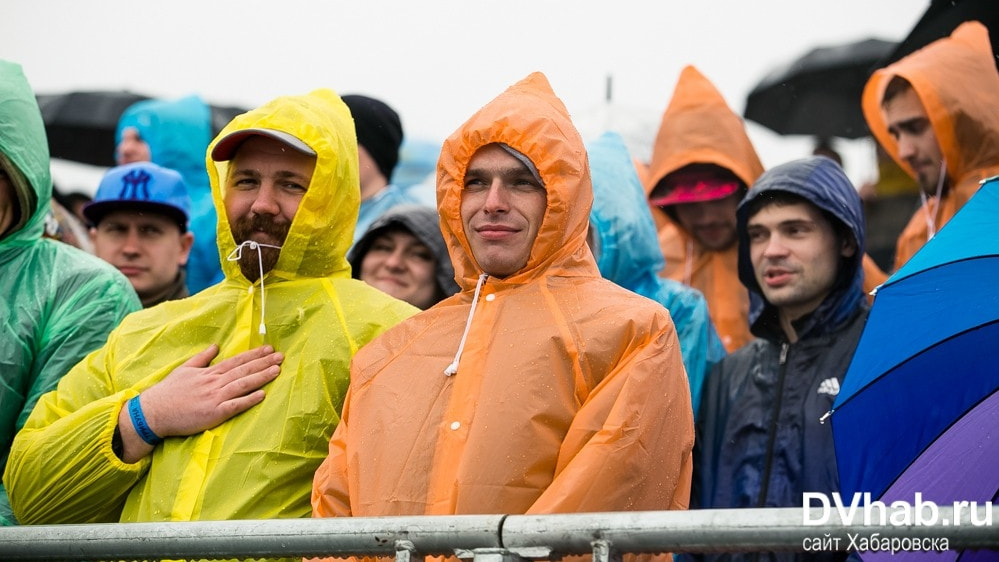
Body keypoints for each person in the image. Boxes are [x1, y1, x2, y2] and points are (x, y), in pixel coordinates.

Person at [4, 89, 418, 538]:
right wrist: (143, 418)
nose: (262, 203)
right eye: (246, 181)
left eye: (291, 184)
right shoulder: (144, 330)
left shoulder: (389, 333)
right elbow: (29, 495)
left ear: (333, 197)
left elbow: (403, 511)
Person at [312, 73, 694, 532]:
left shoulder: (634, 331)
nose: (493, 202)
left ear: (563, 198)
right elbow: (335, 520)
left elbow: (603, 509)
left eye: (521, 182)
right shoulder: (390, 352)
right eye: (475, 182)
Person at [691, 156, 868, 562]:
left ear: (845, 240)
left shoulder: (880, 355)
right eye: (757, 234)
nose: (772, 250)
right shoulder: (729, 375)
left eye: (795, 230)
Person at [0, 59, 141, 526]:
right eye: (115, 227)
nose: (132, 245)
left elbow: (40, 482)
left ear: (20, 173)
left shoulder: (86, 292)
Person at [587, 131, 726, 415]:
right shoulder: (545, 304)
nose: (571, 246)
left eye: (583, 230)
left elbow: (662, 422)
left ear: (618, 228)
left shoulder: (677, 308)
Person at [644, 65, 765, 353]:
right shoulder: (656, 264)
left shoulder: (791, 245)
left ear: (744, 185)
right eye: (689, 204)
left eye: (717, 198)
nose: (707, 217)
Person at [861, 20, 999, 272]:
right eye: (895, 135)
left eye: (915, 128)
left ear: (961, 119)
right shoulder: (920, 228)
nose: (903, 152)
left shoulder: (989, 206)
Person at [115, 94, 223, 294]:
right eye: (122, 139)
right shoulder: (109, 203)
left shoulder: (214, 211)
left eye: (139, 139)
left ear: (176, 144)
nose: (124, 149)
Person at [85, 162, 194, 307]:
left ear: (183, 247)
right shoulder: (60, 321)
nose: (130, 249)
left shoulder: (211, 327)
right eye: (117, 229)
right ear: (94, 241)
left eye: (150, 231)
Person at [349, 204, 459, 310]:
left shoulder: (470, 328)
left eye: (419, 254)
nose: (393, 263)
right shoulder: (331, 321)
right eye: (383, 247)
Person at [341, 94, 420, 243]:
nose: (331, 152)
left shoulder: (404, 222)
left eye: (344, 141)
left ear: (375, 150)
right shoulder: (315, 214)